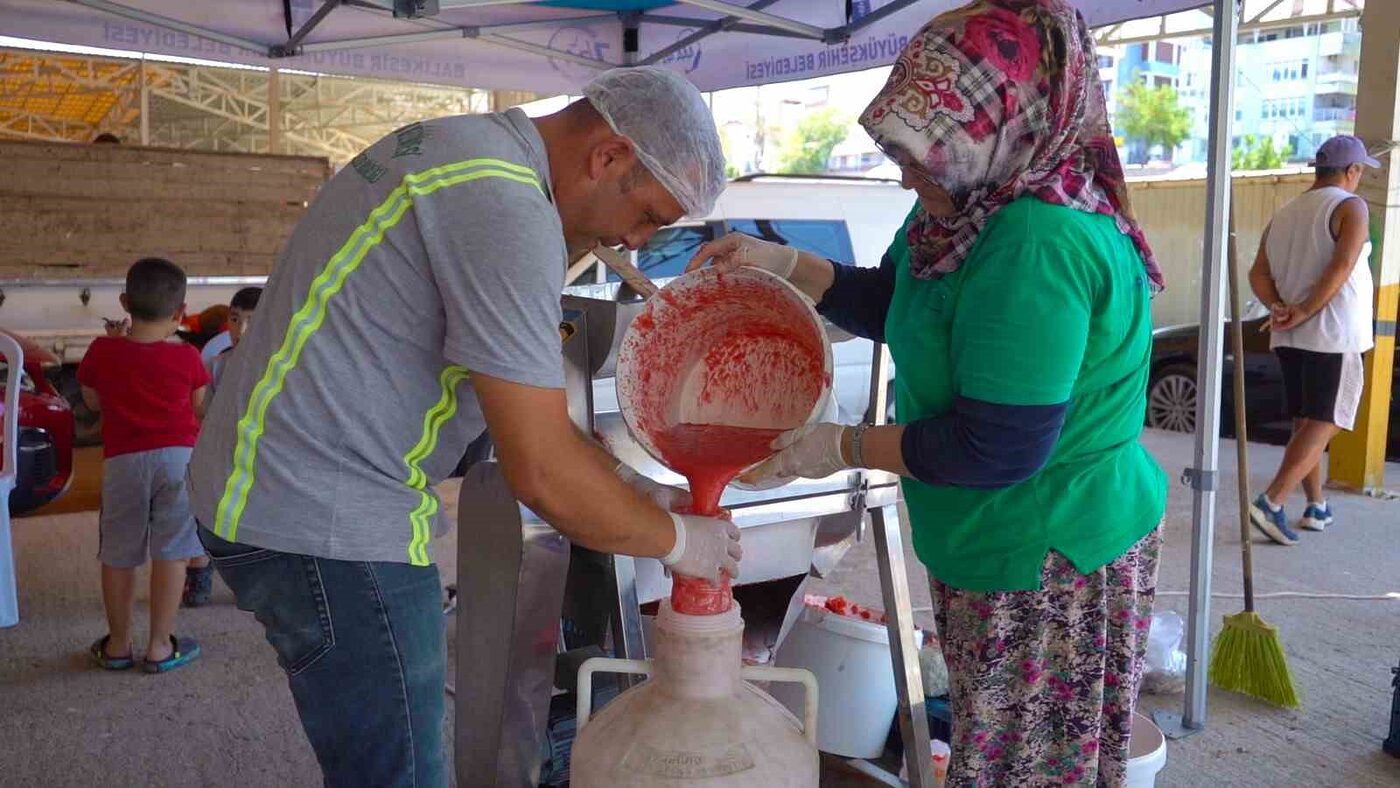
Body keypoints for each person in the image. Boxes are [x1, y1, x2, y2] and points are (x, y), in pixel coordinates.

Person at [187, 66, 736, 786]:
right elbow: (540, 471)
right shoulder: (505, 207)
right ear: (609, 156)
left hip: (266, 485)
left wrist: (637, 488)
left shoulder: (465, 147)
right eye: (649, 217)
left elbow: (527, 418)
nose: (634, 243)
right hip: (327, 521)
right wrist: (680, 542)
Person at [690, 1, 1166, 783]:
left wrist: (836, 448)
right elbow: (913, 311)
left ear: (1002, 126)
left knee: (1027, 770)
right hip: (989, 539)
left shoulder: (1036, 241)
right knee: (994, 748)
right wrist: (786, 266)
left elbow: (995, 444)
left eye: (923, 154)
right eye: (901, 152)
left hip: (1048, 557)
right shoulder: (968, 205)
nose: (907, 173)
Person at [78, 257, 210, 673]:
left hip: (123, 464)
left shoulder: (102, 350)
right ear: (180, 312)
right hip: (178, 461)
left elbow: (92, 401)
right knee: (172, 551)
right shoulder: (188, 357)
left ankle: (118, 644)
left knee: (118, 553)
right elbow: (199, 406)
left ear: (123, 303)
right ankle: (158, 646)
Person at [1246, 135, 1377, 545]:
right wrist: (1304, 309)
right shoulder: (1350, 206)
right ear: (1352, 172)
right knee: (1328, 419)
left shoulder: (1284, 213)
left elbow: (1258, 274)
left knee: (1306, 422)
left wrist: (1279, 307)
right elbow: (1343, 266)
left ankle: (1316, 505)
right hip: (1333, 332)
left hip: (1291, 335)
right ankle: (1272, 501)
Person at [182, 285, 264, 607]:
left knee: (256, 524)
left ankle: (256, 581)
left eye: (251, 321)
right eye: (234, 319)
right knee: (210, 516)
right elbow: (203, 413)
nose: (241, 330)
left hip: (264, 459)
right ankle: (201, 571)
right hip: (224, 456)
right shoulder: (216, 365)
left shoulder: (278, 364)